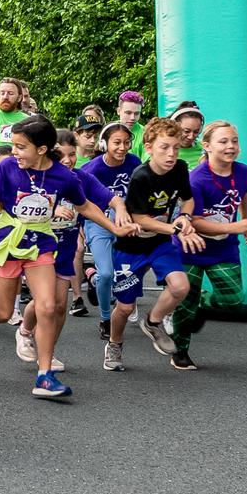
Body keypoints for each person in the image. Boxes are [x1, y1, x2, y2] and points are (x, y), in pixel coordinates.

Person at [0, 117, 122, 399]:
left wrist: (114, 227)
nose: (14, 152)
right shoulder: (6, 167)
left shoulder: (63, 177)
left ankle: (44, 376)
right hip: (7, 241)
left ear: (41, 149)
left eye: (20, 147)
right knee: (4, 312)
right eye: (13, 146)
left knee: (49, 305)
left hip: (41, 244)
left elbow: (86, 206)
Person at [105, 119, 198, 374]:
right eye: (165, 147)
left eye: (176, 148)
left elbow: (188, 201)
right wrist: (174, 229)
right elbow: (139, 219)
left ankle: (153, 321)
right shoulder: (141, 176)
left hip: (159, 243)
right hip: (130, 246)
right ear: (148, 147)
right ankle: (114, 343)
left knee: (181, 286)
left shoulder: (180, 168)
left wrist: (184, 217)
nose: (171, 154)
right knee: (124, 307)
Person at [177, 121, 247, 370]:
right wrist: (236, 227)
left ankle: (203, 305)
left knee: (233, 298)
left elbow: (242, 194)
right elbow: (197, 222)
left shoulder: (243, 171)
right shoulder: (195, 179)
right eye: (223, 141)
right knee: (185, 304)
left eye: (234, 141)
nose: (230, 146)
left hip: (223, 246)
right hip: (192, 246)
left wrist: (243, 217)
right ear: (207, 146)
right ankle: (180, 351)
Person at [80, 122, 141, 340]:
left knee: (123, 272)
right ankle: (106, 318)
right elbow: (81, 201)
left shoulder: (135, 163)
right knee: (107, 272)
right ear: (104, 143)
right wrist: (80, 227)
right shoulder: (92, 169)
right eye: (117, 142)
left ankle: (95, 281)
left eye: (126, 142)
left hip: (127, 225)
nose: (122, 147)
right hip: (99, 225)